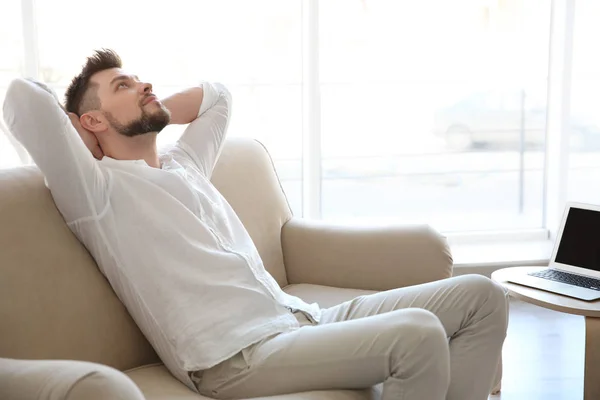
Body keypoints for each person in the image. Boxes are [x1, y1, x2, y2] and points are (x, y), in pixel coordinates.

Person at [2, 49, 509, 400]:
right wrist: (86, 138)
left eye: (138, 79)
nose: (143, 84)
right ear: (90, 121)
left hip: (296, 319)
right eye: (123, 85)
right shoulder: (97, 191)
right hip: (235, 356)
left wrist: (150, 109)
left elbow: (219, 97)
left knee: (481, 298)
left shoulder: (184, 164)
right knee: (416, 334)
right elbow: (23, 99)